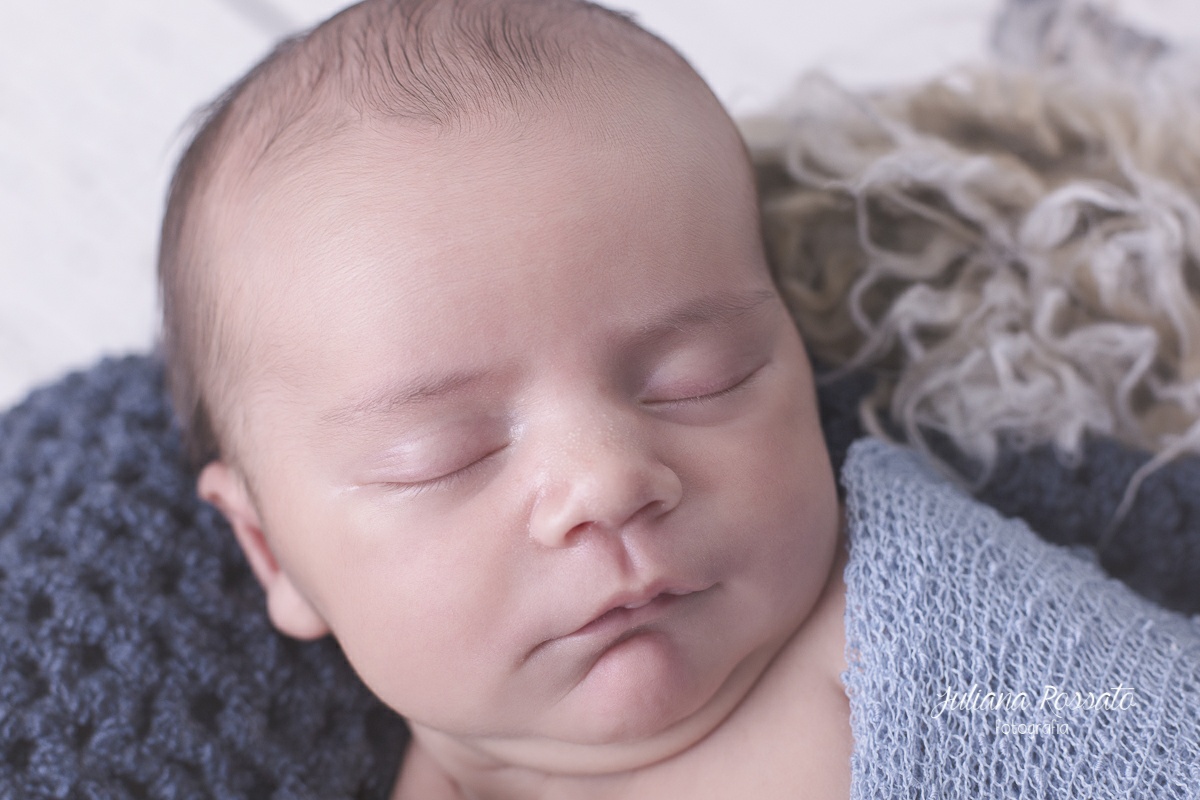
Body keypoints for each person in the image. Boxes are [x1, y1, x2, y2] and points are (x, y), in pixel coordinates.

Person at [156, 1, 1199, 797]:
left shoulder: (930, 650)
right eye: (445, 450)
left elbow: (1147, 732)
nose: (607, 481)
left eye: (698, 378)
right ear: (272, 551)